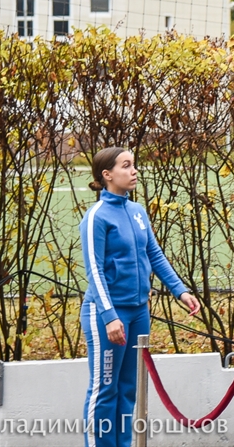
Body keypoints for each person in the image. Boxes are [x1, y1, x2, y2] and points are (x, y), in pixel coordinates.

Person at [80, 147, 200, 447]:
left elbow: (154, 254)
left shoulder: (137, 212)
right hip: (107, 314)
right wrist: (110, 317)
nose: (134, 171)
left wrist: (180, 290)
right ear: (107, 175)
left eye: (134, 165)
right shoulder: (96, 217)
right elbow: (94, 271)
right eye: (126, 166)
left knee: (128, 388)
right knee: (105, 389)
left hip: (138, 312)